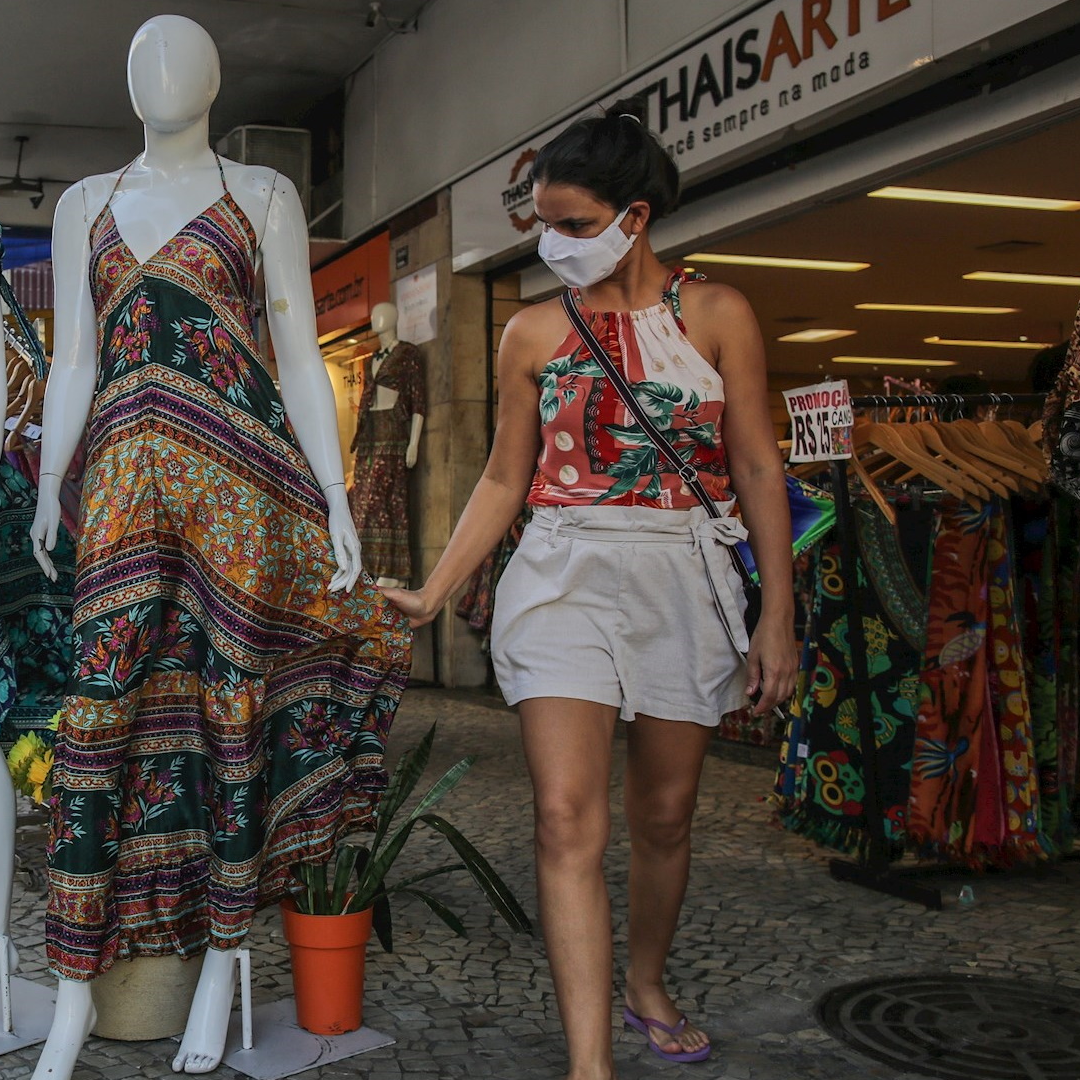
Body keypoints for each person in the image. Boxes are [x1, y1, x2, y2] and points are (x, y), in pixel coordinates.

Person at [381, 99, 797, 1076]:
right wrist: (436, 589)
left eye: (573, 225)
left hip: (684, 575)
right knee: (566, 816)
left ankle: (646, 980)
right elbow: (501, 478)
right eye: (544, 226)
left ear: (636, 216)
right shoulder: (531, 332)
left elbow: (760, 470)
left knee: (664, 816)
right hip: (562, 571)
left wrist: (776, 613)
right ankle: (589, 1064)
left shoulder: (719, 314)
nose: (555, 244)